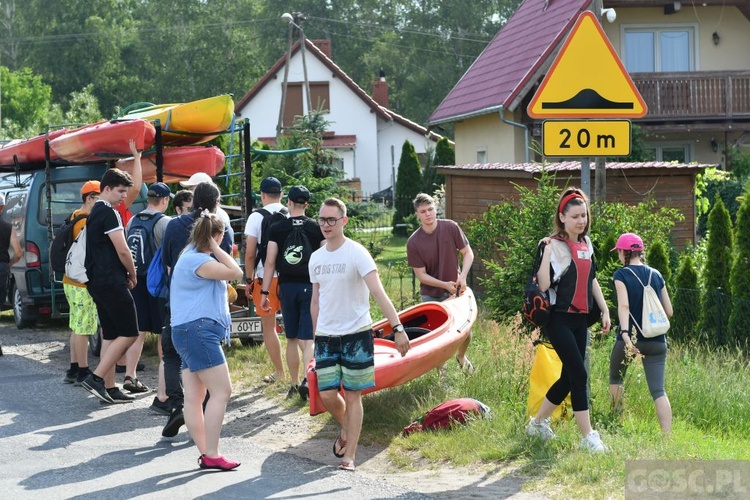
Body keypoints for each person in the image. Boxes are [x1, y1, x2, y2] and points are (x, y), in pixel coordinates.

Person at [309, 197, 410, 472]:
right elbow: (316, 300)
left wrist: (398, 328)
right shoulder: (316, 258)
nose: (326, 225)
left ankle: (349, 455)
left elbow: (378, 292)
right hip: (326, 337)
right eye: (322, 219)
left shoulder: (357, 253)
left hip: (356, 334)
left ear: (344, 221)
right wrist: (315, 337)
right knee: (327, 394)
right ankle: (347, 429)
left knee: (353, 395)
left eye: (331, 219)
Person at [526, 187, 611, 452]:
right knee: (579, 372)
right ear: (562, 217)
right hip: (558, 319)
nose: (581, 220)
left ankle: (537, 424)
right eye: (574, 216)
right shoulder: (551, 244)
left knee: (568, 377)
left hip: (580, 319)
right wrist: (547, 255)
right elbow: (543, 283)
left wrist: (605, 309)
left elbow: (592, 279)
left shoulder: (587, 244)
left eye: (583, 215)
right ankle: (588, 437)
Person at [170, 211, 243, 471]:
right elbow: (234, 272)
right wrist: (216, 246)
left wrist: (209, 239)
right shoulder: (199, 261)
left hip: (187, 331)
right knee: (222, 391)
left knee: (194, 396)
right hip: (198, 331)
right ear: (218, 235)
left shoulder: (187, 255)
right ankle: (211, 453)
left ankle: (206, 452)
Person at [158, 182, 233, 436]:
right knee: (215, 381)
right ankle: (208, 434)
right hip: (206, 309)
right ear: (217, 201)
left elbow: (167, 262)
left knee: (171, 355)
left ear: (192, 199)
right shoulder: (218, 225)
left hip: (177, 302)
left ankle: (175, 406)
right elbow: (228, 261)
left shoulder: (175, 225)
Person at [80, 163, 141, 404]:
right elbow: (123, 250)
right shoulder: (109, 212)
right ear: (106, 189)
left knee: (111, 334)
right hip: (111, 280)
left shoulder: (95, 211)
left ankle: (110, 387)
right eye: (120, 191)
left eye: (126, 192)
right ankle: (96, 377)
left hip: (97, 280)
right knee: (130, 332)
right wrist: (133, 273)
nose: (124, 197)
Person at [260, 185, 324, 400]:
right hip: (311, 287)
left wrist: (265, 292)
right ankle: (309, 381)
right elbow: (325, 260)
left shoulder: (277, 228)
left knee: (292, 339)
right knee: (309, 338)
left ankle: (294, 384)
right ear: (306, 204)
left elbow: (270, 263)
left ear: (288, 202)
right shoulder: (316, 228)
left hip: (286, 287)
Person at [609, 232, 673, 434]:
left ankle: (616, 425)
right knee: (658, 390)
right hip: (657, 341)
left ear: (623, 252)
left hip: (631, 339)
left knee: (616, 379)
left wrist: (627, 336)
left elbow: (624, 306)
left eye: (619, 251)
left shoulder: (621, 275)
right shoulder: (657, 274)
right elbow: (669, 311)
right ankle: (667, 436)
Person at [406, 193, 474, 374]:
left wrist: (463, 276)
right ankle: (441, 375)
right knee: (438, 338)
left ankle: (461, 357)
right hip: (431, 294)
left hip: (457, 289)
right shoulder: (414, 242)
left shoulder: (451, 227)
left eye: (430, 209)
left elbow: (468, 253)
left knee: (466, 331)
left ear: (436, 210)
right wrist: (445, 285)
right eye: (423, 211)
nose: (428, 214)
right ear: (417, 215)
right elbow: (422, 276)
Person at [121, 182, 173, 394]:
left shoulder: (133, 220)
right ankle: (167, 379)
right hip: (158, 284)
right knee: (163, 331)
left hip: (136, 281)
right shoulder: (165, 223)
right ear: (165, 200)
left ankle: (130, 375)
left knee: (138, 331)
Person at [244, 177, 286, 384]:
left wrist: (249, 279)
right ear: (282, 194)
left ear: (261, 195)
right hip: (289, 278)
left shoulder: (255, 217)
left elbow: (250, 253)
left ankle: (280, 372)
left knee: (268, 327)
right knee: (297, 328)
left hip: (264, 280)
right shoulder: (290, 212)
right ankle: (303, 373)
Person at [62, 181, 100, 386]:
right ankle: (83, 372)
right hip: (81, 281)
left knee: (76, 325)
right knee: (83, 327)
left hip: (69, 279)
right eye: (99, 197)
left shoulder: (74, 215)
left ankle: (73, 368)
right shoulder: (85, 222)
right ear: (90, 198)